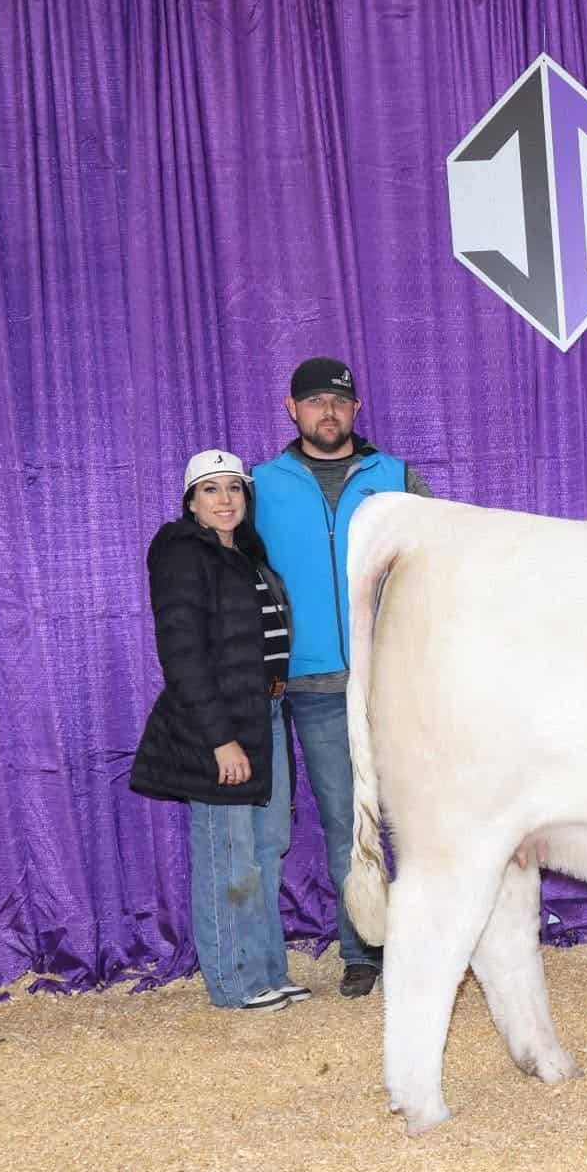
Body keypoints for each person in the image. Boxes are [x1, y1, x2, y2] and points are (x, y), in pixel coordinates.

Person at [253, 357, 434, 998]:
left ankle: (426, 944)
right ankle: (363, 950)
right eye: (313, 401)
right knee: (344, 818)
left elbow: (434, 570)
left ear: (356, 410)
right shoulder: (260, 486)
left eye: (338, 401)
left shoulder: (395, 478)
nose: (327, 411)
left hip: (400, 678)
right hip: (316, 684)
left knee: (423, 814)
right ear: (291, 409)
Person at [131, 450, 306, 1011]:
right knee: (228, 854)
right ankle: (234, 981)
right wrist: (219, 739)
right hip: (224, 725)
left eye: (234, 487)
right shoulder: (184, 554)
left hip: (266, 715)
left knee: (267, 847)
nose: (225, 498)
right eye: (210, 489)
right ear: (191, 502)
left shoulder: (247, 554)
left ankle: (266, 970)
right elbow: (182, 654)